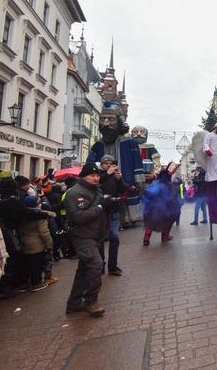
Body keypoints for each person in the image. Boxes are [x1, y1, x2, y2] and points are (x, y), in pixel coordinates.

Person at [87, 102, 144, 226]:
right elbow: (89, 166)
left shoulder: (131, 143)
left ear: (119, 122)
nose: (106, 123)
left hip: (126, 181)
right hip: (105, 183)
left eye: (111, 119)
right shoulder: (97, 145)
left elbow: (137, 164)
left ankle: (129, 219)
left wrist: (139, 181)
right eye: (103, 119)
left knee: (127, 198)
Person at [65, 163, 109, 317]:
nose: (96, 178)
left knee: (84, 269)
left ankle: (74, 303)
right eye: (92, 175)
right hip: (82, 235)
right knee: (96, 264)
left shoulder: (95, 189)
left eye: (97, 175)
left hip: (94, 234)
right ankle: (91, 301)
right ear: (84, 176)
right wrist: (99, 208)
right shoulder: (74, 193)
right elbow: (79, 217)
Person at [98, 155, 126, 276]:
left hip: (114, 211)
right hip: (100, 212)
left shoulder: (113, 175)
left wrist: (119, 179)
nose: (109, 165)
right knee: (100, 240)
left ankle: (112, 266)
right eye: (107, 163)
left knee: (114, 238)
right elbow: (97, 184)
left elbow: (122, 190)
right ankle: (100, 266)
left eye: (111, 163)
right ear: (102, 164)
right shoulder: (98, 174)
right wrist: (108, 174)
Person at [18, 196, 54, 292]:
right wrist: (49, 245)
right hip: (37, 244)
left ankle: (27, 283)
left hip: (25, 243)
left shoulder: (22, 215)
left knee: (28, 265)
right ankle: (36, 283)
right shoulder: (39, 216)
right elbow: (44, 233)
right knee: (37, 265)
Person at [143, 164, 181, 246]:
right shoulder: (169, 185)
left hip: (153, 208)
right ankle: (165, 237)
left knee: (150, 223)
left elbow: (149, 194)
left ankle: (146, 239)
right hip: (165, 209)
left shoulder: (155, 183)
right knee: (167, 222)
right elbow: (173, 197)